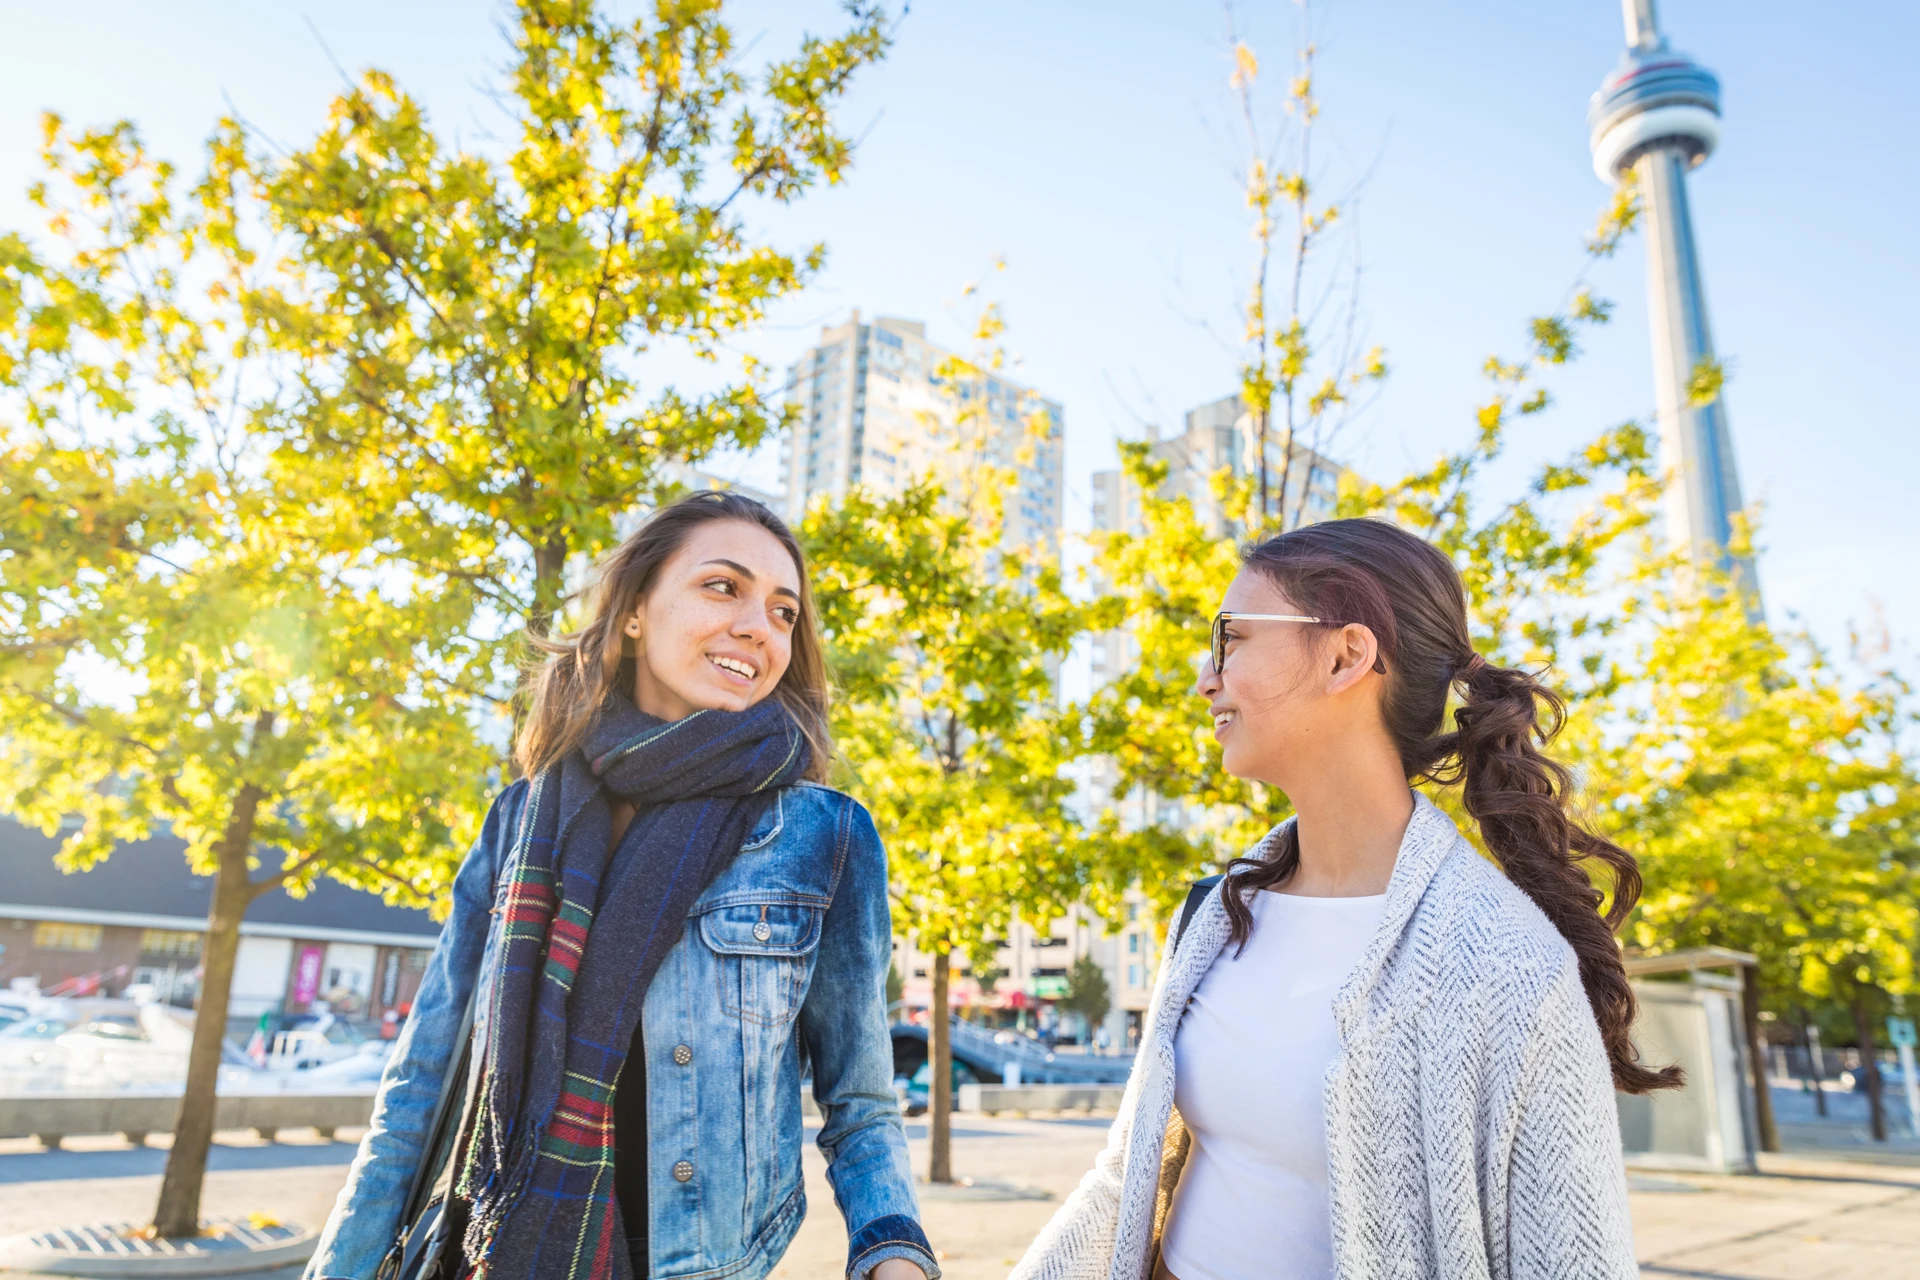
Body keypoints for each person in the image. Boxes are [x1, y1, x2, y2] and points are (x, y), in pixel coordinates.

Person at [1011, 518, 1678, 1280]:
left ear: (1345, 655)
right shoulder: (1212, 914)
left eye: (1231, 638)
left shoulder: (1513, 968)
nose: (1206, 678)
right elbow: (1123, 1176)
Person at [307, 492, 937, 1280]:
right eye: (723, 586)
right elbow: (418, 1085)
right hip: (489, 1255)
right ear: (636, 610)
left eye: (784, 612)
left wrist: (893, 1251)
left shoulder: (823, 837)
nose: (758, 626)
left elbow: (862, 1105)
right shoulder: (523, 820)